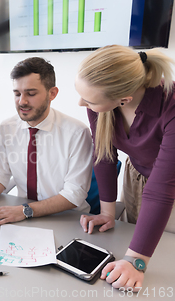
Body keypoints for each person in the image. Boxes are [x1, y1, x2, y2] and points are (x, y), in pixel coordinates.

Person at [75, 45, 175, 291]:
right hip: (138, 176)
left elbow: (162, 189)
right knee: (133, 233)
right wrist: (108, 213)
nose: (80, 103)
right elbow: (105, 155)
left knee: (166, 252)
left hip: (168, 185)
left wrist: (136, 261)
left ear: (124, 99)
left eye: (88, 100)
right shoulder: (102, 103)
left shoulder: (171, 105)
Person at [0, 57, 93, 225]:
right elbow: (0, 174)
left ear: (52, 93)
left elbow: (74, 193)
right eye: (17, 94)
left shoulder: (77, 133)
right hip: (23, 216)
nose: (22, 101)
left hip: (67, 218)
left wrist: (26, 210)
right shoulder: (7, 127)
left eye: (31, 94)